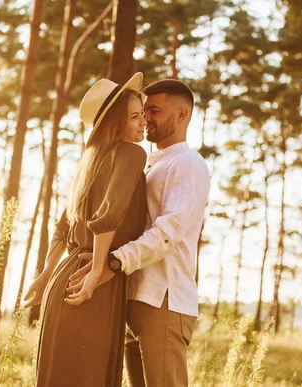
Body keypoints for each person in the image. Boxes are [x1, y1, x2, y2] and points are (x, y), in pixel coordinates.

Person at [67, 79, 211, 387]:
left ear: (182, 114)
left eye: (155, 111)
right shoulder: (152, 164)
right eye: (144, 111)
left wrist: (114, 262)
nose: (146, 118)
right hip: (136, 298)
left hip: (165, 301)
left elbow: (168, 232)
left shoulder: (188, 164)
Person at [23, 72, 148, 387]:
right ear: (116, 122)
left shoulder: (87, 164)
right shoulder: (133, 154)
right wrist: (96, 271)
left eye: (142, 114)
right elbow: (110, 215)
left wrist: (46, 274)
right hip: (91, 282)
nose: (143, 121)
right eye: (135, 116)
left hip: (64, 279)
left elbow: (62, 228)